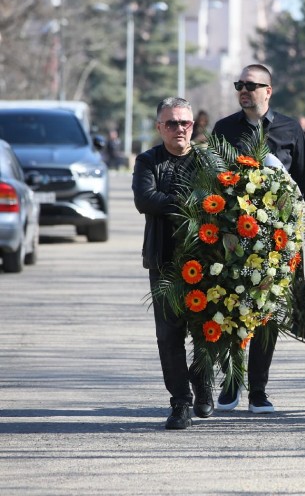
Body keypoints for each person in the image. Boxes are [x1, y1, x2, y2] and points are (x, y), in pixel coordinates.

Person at [211, 63, 305, 414]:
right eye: (239, 85)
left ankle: (258, 390)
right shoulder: (224, 129)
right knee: (231, 309)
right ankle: (231, 385)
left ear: (267, 91)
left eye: (251, 85)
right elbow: (211, 179)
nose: (244, 90)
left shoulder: (290, 129)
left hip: (278, 239)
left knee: (267, 312)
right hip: (234, 237)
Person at [132, 97, 213, 430]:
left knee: (208, 331)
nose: (179, 129)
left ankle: (204, 381)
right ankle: (180, 402)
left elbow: (223, 200)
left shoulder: (208, 160)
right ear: (159, 127)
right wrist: (190, 202)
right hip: (164, 261)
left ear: (193, 125)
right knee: (169, 336)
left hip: (208, 261)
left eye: (185, 123)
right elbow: (145, 199)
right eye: (172, 123)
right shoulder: (149, 160)